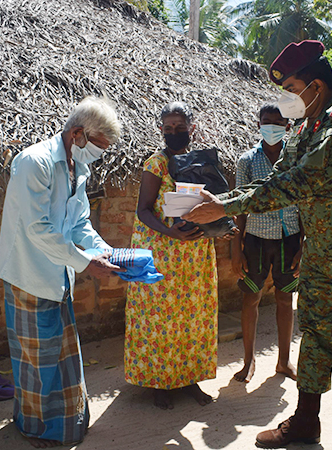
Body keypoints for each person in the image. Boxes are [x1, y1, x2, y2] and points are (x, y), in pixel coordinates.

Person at [183, 41, 332, 450]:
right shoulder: (305, 130)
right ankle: (307, 421)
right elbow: (275, 177)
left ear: (316, 85)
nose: (287, 98)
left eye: (291, 88)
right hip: (323, 256)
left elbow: (299, 183)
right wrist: (224, 203)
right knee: (317, 338)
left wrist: (228, 204)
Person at [0, 96, 124, 448]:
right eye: (98, 146)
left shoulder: (77, 168)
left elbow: (79, 221)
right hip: (28, 276)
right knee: (36, 363)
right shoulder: (33, 162)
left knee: (62, 356)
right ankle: (35, 428)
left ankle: (65, 425)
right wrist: (86, 263)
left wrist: (103, 250)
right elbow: (37, 229)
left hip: (58, 278)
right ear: (78, 133)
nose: (98, 154)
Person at [124, 102, 218, 410]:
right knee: (160, 319)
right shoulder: (157, 164)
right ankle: (159, 383)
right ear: (161, 130)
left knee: (193, 317)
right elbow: (143, 210)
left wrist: (220, 226)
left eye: (180, 128)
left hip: (195, 254)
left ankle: (189, 378)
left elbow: (213, 201)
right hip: (164, 252)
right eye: (168, 128)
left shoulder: (202, 161)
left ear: (192, 129)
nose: (173, 133)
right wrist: (173, 233)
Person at [231, 103, 302, 383]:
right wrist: (236, 249)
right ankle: (248, 363)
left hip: (290, 238)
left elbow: (306, 204)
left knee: (286, 299)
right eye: (266, 121)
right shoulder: (246, 161)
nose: (271, 125)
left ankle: (283, 362)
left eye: (277, 121)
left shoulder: (297, 160)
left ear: (288, 126)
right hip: (257, 240)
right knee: (251, 299)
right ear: (258, 124)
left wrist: (304, 245)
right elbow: (238, 207)